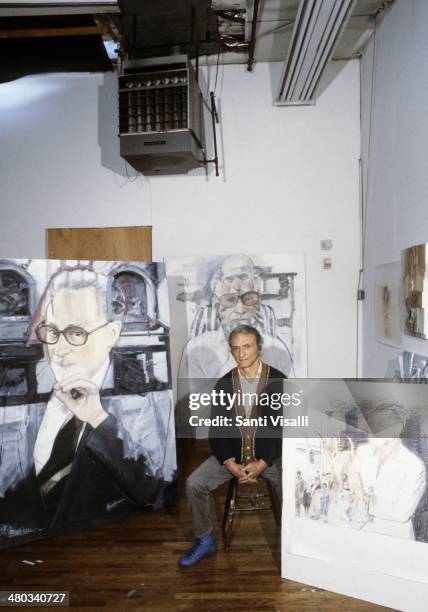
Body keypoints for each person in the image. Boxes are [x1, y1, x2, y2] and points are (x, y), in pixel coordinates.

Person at [0, 267, 171, 546]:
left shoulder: (146, 392)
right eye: (52, 331)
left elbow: (150, 490)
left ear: (111, 333)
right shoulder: (21, 385)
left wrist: (97, 418)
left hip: (107, 548)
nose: (59, 349)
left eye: (76, 332)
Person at [178, 324, 286, 567]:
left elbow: (281, 429)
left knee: (293, 485)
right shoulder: (225, 384)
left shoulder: (278, 380)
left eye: (247, 347)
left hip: (269, 458)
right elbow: (216, 430)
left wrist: (262, 462)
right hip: (234, 457)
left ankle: (295, 539)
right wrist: (229, 463)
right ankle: (205, 540)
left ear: (258, 348)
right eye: (236, 349)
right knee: (195, 483)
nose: (241, 354)